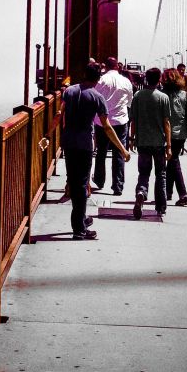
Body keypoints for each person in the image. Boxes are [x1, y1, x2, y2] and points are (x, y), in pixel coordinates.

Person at [61, 60, 130, 240]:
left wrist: (46, 135)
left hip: (68, 143)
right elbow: (107, 127)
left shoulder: (69, 91)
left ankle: (81, 220)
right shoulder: (97, 97)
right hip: (84, 145)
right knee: (82, 186)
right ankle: (79, 229)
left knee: (74, 182)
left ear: (84, 74)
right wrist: (122, 149)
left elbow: (59, 114)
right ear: (98, 78)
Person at [129, 66, 172, 221]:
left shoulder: (138, 96)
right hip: (159, 142)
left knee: (144, 173)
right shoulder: (163, 98)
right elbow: (166, 123)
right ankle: (160, 207)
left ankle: (141, 193)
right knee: (160, 174)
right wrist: (169, 145)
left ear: (146, 79)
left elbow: (133, 120)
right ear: (159, 79)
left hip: (142, 141)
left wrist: (132, 138)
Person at [93, 57, 134, 194]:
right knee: (119, 153)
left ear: (106, 67)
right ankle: (118, 185)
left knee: (101, 152)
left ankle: (99, 180)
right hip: (120, 121)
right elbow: (129, 102)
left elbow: (95, 98)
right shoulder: (126, 81)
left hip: (102, 121)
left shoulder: (101, 80)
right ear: (117, 66)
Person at [162, 67, 187, 206]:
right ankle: (168, 193)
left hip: (165, 134)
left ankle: (183, 194)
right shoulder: (184, 95)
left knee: (173, 162)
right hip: (181, 134)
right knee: (172, 161)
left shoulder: (161, 94)